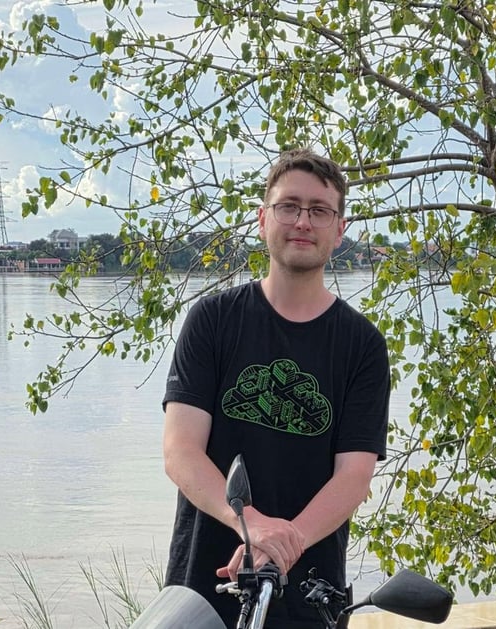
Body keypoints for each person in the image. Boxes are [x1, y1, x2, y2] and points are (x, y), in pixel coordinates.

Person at [161, 147, 390, 628]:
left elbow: (353, 476)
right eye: (289, 206)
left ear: (339, 228)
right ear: (264, 219)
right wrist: (254, 525)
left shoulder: (362, 346)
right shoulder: (212, 321)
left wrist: (284, 543)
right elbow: (180, 452)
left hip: (310, 597)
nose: (303, 221)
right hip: (201, 593)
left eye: (320, 210)